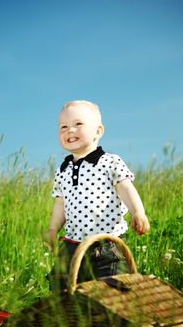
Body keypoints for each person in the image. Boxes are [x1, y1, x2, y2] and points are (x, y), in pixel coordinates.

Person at [43, 100, 150, 289]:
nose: (70, 130)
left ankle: (107, 316)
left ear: (98, 132)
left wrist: (138, 212)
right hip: (72, 244)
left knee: (111, 286)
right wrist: (53, 228)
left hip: (106, 244)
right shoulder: (63, 169)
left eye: (78, 124)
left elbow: (126, 188)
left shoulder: (109, 162)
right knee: (61, 285)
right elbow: (61, 203)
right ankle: (68, 316)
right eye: (64, 127)